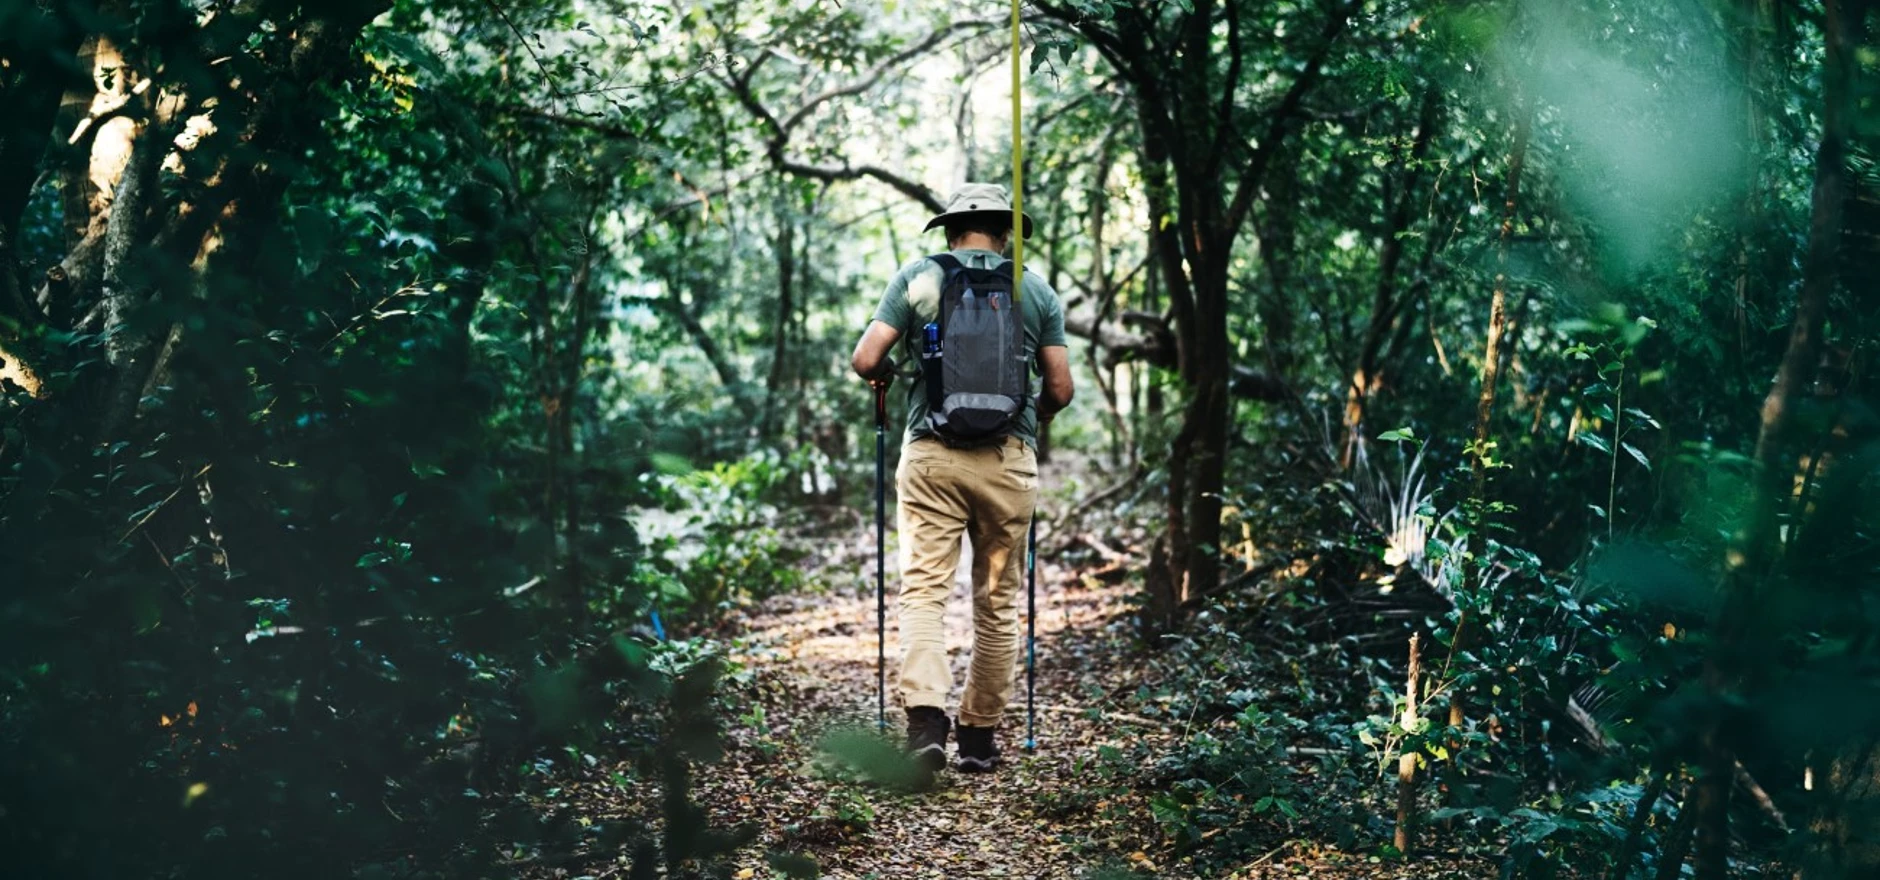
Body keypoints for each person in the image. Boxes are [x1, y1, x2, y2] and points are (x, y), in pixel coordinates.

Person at [850, 183, 1074, 778]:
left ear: (949, 230)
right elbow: (1060, 389)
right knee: (997, 599)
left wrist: (892, 378)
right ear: (1005, 231)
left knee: (925, 590)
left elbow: (867, 359)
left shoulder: (918, 279)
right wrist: (1035, 420)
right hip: (1008, 459)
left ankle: (925, 725)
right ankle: (978, 738)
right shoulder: (1035, 290)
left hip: (931, 454)